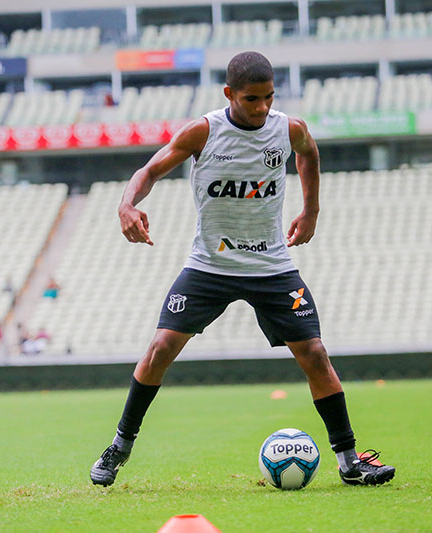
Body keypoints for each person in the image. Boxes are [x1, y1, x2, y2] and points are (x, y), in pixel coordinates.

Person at [90, 51, 395, 488]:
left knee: (315, 354)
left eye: (269, 97)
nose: (263, 108)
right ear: (230, 94)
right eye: (253, 99)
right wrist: (126, 204)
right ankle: (120, 446)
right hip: (210, 264)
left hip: (271, 265)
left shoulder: (288, 129)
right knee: (160, 349)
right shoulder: (203, 132)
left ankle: (349, 461)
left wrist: (311, 211)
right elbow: (150, 169)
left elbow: (308, 154)